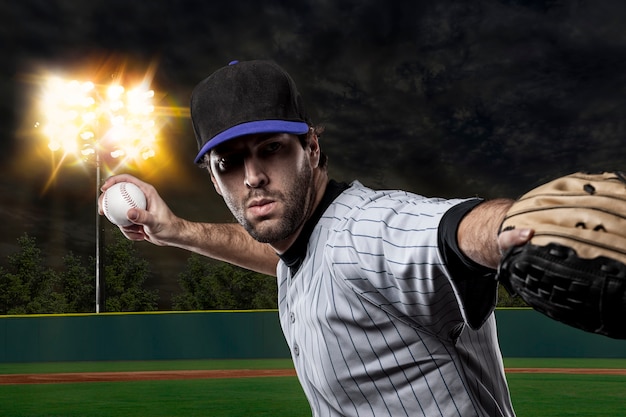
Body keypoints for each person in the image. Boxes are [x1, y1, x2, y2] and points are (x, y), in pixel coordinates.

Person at [100, 60, 532, 417]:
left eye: (271, 148)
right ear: (214, 180)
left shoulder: (366, 230)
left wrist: (527, 226)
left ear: (311, 148)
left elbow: (454, 229)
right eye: (229, 163)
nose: (252, 177)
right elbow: (282, 256)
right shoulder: (303, 246)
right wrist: (175, 230)